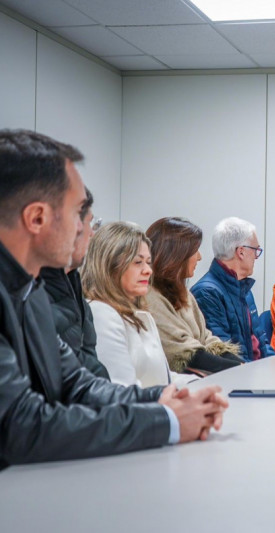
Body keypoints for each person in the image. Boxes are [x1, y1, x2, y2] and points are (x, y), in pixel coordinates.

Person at [0, 129, 226, 469]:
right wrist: (168, 422)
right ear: (37, 218)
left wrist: (160, 398)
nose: (87, 231)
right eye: (80, 214)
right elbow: (20, 426)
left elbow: (76, 383)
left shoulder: (29, 292)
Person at [83, 221, 200, 387]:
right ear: (110, 265)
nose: (148, 270)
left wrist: (201, 385)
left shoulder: (140, 314)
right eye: (138, 262)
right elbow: (122, 388)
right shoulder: (100, 313)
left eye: (148, 262)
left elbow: (163, 378)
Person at [145, 217, 243, 374]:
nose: (199, 257)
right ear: (176, 255)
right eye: (194, 251)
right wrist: (239, 369)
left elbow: (206, 338)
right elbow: (182, 351)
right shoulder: (150, 297)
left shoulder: (183, 293)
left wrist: (241, 364)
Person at [40, 187, 109, 379]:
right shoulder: (27, 295)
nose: (92, 234)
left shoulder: (72, 285)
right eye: (90, 223)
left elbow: (84, 373)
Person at [191, 217, 274, 361]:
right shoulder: (206, 293)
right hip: (238, 378)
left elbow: (261, 340)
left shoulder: (243, 287)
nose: (256, 256)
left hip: (258, 372)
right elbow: (224, 354)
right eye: (256, 250)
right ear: (241, 252)